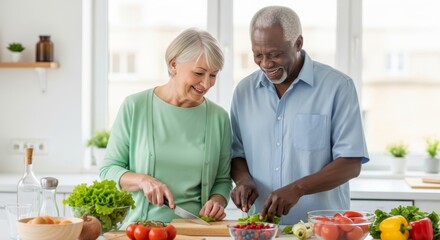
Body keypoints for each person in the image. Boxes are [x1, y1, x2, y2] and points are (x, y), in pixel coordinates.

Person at [230, 6, 369, 225]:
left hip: (323, 229)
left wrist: (298, 188)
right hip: (260, 228)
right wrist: (243, 180)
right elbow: (236, 152)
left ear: (298, 43)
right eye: (258, 55)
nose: (266, 64)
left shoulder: (338, 87)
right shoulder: (244, 91)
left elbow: (351, 162)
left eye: (275, 54)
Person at [100, 28, 232, 224]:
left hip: (196, 231)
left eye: (213, 75)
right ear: (173, 65)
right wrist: (142, 180)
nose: (206, 84)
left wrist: (217, 201)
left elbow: (222, 181)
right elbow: (109, 170)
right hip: (141, 230)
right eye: (199, 73)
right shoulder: (136, 106)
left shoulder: (218, 117)